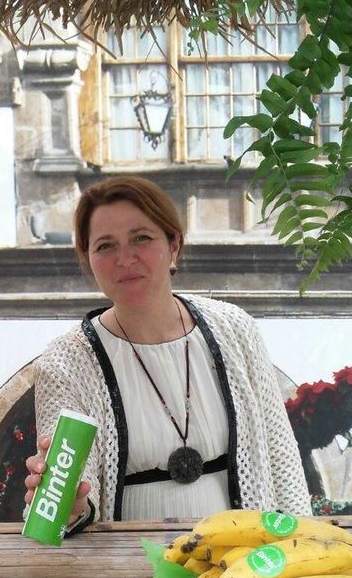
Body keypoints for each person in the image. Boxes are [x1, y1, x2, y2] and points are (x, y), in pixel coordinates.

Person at [24, 176, 311, 530]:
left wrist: (303, 544)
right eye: (105, 246)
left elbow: (281, 458)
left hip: (243, 561)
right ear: (88, 260)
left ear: (173, 245)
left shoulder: (235, 329)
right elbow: (69, 487)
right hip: (129, 572)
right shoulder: (66, 362)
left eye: (141, 238)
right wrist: (72, 507)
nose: (125, 259)